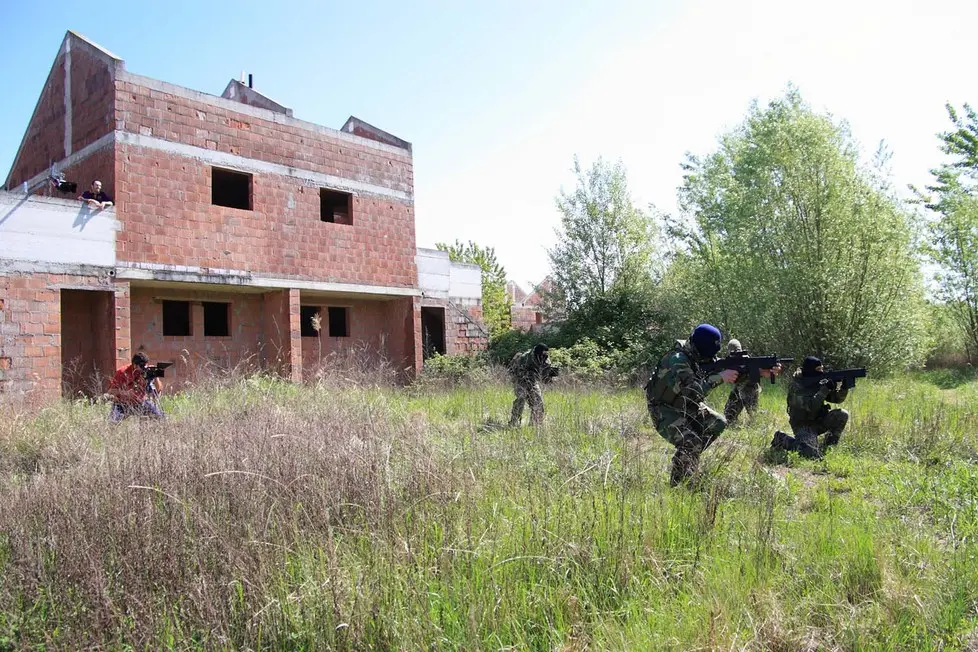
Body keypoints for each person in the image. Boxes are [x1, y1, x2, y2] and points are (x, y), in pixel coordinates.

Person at [770, 356, 849, 460]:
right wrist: (825, 389)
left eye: (822, 369)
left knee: (842, 414)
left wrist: (844, 387)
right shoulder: (796, 386)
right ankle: (781, 439)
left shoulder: (819, 382)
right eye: (818, 370)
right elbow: (810, 407)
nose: (821, 372)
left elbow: (836, 399)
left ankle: (828, 447)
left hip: (819, 421)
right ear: (809, 370)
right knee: (810, 454)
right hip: (803, 425)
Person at [508, 343, 557, 427]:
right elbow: (516, 372)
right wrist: (531, 372)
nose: (544, 356)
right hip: (520, 380)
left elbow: (545, 376)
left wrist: (550, 374)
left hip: (533, 381)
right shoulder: (525, 357)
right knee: (521, 398)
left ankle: (535, 424)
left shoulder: (546, 360)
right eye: (543, 353)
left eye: (546, 354)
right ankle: (514, 422)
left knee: (538, 401)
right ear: (537, 353)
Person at [108, 352, 164, 422]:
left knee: (160, 417)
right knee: (112, 421)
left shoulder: (147, 372)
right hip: (122, 404)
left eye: (145, 365)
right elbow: (111, 391)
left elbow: (158, 390)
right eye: (142, 366)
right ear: (135, 365)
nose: (143, 368)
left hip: (140, 403)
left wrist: (155, 377)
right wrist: (126, 393)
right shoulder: (122, 372)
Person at [723, 338, 762, 427]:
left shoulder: (747, 361)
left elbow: (756, 375)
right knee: (728, 417)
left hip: (749, 388)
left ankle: (757, 425)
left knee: (753, 413)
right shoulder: (731, 361)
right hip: (739, 388)